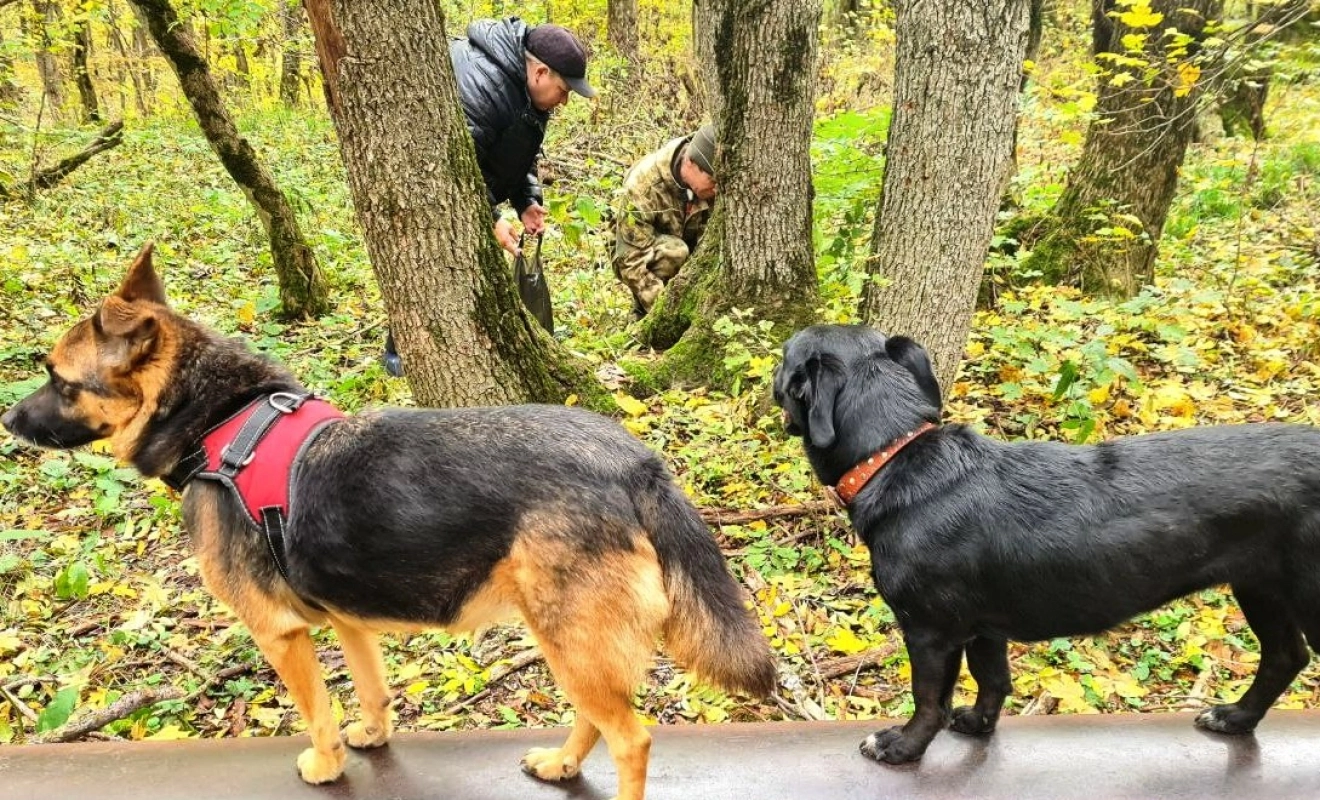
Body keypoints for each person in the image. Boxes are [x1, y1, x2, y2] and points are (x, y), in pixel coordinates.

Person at [383, 18, 595, 376]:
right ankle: (401, 355)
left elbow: (517, 153)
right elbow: (451, 168)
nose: (564, 101)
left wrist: (526, 201)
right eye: (564, 90)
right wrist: (492, 218)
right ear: (541, 72)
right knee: (433, 264)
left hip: (469, 189)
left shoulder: (526, 93)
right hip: (426, 193)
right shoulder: (483, 88)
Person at [611, 124, 718, 318]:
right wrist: (665, 316)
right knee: (676, 251)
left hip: (687, 242)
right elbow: (630, 261)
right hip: (633, 250)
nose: (718, 190)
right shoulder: (643, 186)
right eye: (713, 181)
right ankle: (643, 311)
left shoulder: (702, 173)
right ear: (690, 164)